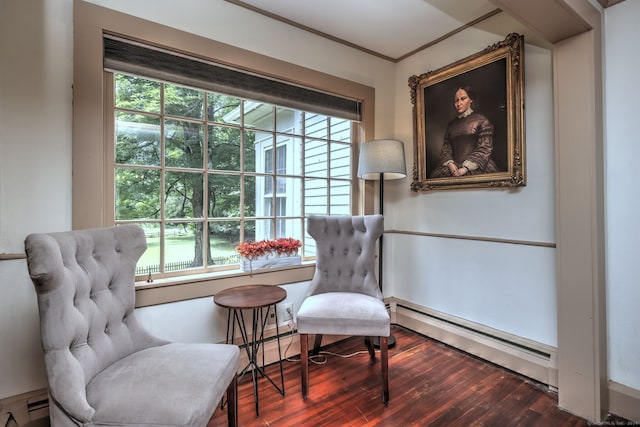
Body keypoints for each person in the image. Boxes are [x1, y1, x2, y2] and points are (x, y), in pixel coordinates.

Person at [430, 85, 499, 178]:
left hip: (476, 166)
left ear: (470, 100)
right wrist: (450, 164)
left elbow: (484, 148)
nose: (459, 103)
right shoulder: (451, 125)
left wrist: (465, 168)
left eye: (463, 99)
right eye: (456, 100)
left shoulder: (481, 120)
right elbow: (446, 148)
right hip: (453, 167)